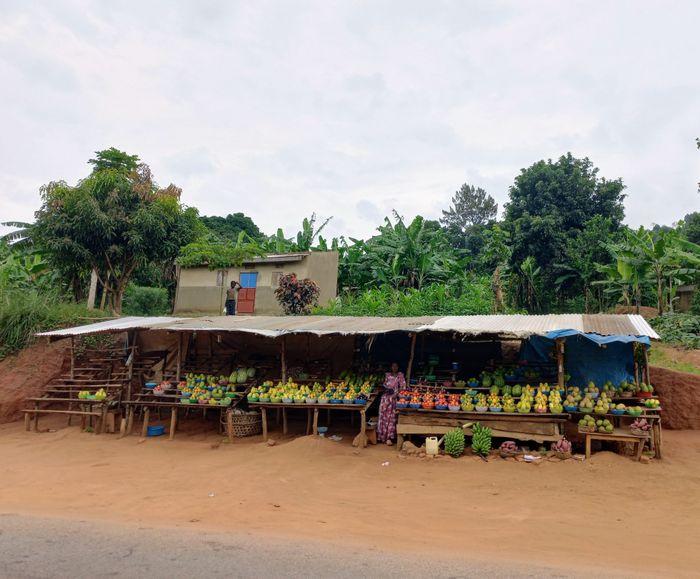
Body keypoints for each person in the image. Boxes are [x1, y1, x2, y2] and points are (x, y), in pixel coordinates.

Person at [377, 362, 405, 446]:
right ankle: (382, 437)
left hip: (393, 399)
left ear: (398, 367)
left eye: (396, 366)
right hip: (385, 399)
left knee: (391, 418)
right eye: (393, 366)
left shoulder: (400, 376)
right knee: (383, 417)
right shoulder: (387, 375)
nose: (394, 368)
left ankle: (389, 437)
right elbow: (384, 385)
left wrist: (396, 394)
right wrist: (386, 389)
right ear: (391, 367)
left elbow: (403, 387)